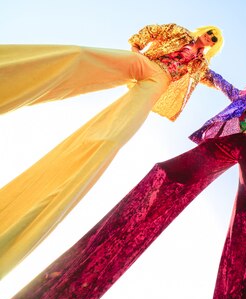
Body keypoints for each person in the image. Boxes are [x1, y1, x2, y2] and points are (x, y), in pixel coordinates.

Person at [6, 70, 246, 299]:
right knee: (169, 173)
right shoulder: (244, 98)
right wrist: (204, 69)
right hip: (228, 141)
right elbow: (222, 83)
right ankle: (134, 219)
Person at [0, 23, 222, 278]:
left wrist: (245, 93)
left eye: (214, 40)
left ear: (214, 46)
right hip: (145, 63)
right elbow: (152, 31)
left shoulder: (200, 65)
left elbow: (216, 81)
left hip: (159, 81)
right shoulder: (179, 33)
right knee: (81, 57)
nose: (209, 38)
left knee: (116, 135)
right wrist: (136, 48)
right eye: (210, 32)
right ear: (203, 30)